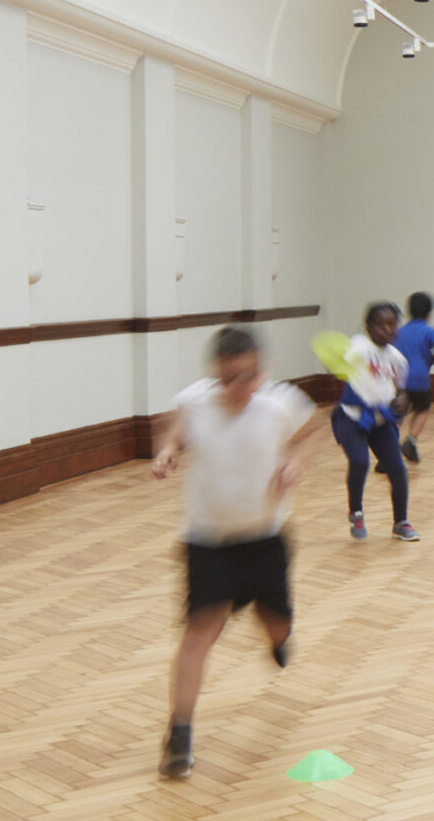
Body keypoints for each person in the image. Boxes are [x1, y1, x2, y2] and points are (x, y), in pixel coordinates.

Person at [151, 325, 323, 779]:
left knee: (276, 623)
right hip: (207, 541)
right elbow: (172, 431)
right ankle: (180, 732)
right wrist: (167, 450)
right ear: (215, 372)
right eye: (228, 378)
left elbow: (313, 430)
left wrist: (296, 461)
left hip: (265, 538)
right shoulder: (196, 401)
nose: (238, 387)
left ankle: (280, 638)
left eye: (247, 377)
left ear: (262, 371)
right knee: (198, 632)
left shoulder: (280, 402)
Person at [334, 302, 417, 541]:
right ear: (368, 327)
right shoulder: (359, 345)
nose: (386, 330)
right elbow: (343, 359)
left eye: (391, 324)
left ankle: (401, 522)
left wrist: (402, 400)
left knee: (398, 470)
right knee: (359, 462)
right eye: (380, 325)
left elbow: (401, 391)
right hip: (352, 418)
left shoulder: (397, 359)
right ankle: (356, 511)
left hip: (382, 421)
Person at [393, 291, 434, 464]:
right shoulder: (429, 330)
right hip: (420, 380)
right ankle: (411, 440)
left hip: (400, 380)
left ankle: (389, 449)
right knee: (422, 409)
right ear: (429, 314)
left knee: (398, 414)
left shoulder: (399, 332)